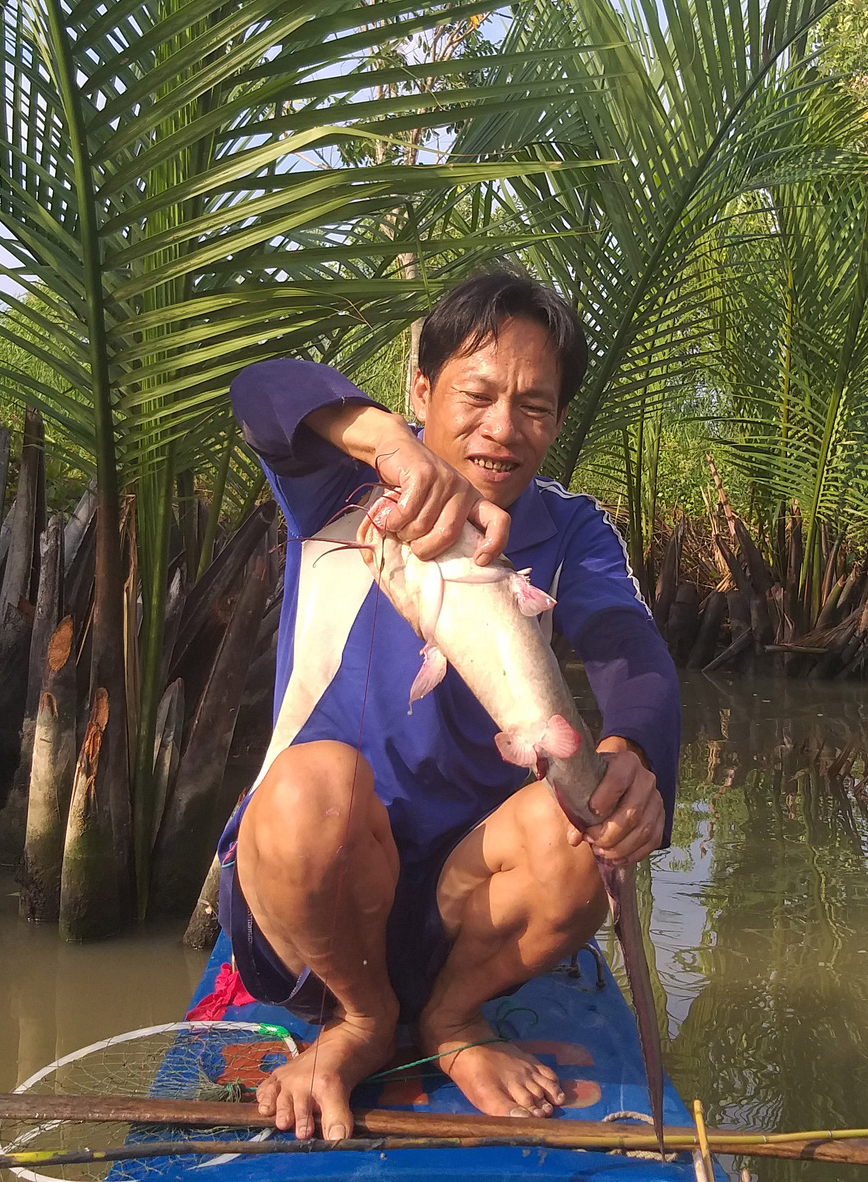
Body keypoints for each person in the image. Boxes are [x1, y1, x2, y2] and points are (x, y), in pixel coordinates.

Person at [216, 269, 681, 1142]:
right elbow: (258, 388)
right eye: (477, 394)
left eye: (535, 407)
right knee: (314, 786)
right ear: (420, 389)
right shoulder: (340, 491)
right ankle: (357, 1019)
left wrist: (639, 758)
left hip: (468, 911)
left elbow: (633, 650)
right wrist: (384, 444)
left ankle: (451, 1020)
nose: (503, 429)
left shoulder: (574, 530)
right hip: (316, 894)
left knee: (584, 827)